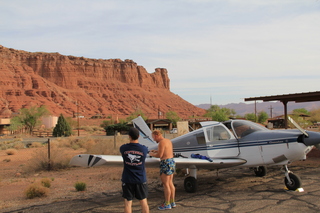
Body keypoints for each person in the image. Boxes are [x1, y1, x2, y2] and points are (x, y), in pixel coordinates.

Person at [120, 127, 149, 213]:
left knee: (128, 203)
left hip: (128, 179)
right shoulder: (144, 149)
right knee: (143, 201)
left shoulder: (123, 148)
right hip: (140, 179)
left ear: (129, 136)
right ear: (139, 136)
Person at [149, 130, 176, 210]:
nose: (154, 139)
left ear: (157, 135)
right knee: (171, 183)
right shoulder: (168, 141)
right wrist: (156, 151)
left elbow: (160, 155)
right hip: (171, 162)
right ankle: (172, 202)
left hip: (165, 163)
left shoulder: (161, 142)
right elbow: (166, 151)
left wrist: (152, 154)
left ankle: (167, 203)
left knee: (166, 184)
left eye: (153, 137)